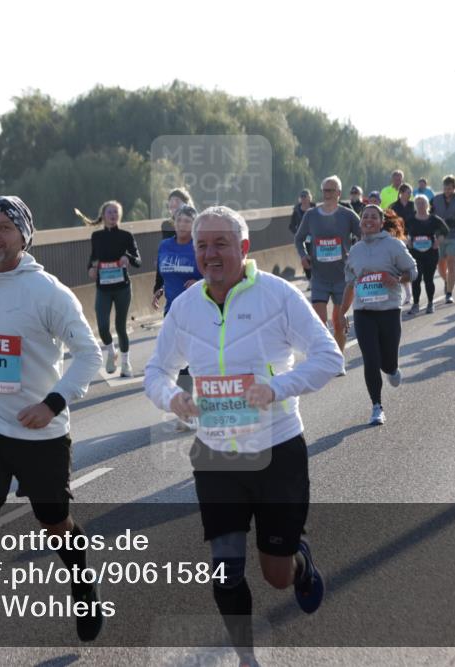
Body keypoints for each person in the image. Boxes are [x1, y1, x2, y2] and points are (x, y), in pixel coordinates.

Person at [144, 205, 340, 667]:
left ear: (244, 248)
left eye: (220, 244)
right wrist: (172, 398)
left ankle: (298, 561)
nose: (209, 254)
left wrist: (276, 389)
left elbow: (329, 357)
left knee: (276, 575)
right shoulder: (185, 307)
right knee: (227, 571)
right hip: (216, 456)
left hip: (277, 451)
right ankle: (247, 659)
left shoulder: (278, 296)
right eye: (201, 245)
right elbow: (156, 371)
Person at [0, 196, 104, 667]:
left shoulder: (48, 292)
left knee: (54, 524)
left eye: (4, 228)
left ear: (24, 237)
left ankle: (81, 582)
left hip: (39, 433)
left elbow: (89, 354)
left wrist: (52, 404)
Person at [341, 207, 417, 425]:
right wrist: (342, 312)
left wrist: (397, 279)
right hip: (363, 312)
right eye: (365, 217)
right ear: (361, 222)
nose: (369, 220)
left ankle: (392, 368)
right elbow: (349, 283)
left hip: (389, 311)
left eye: (374, 217)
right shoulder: (355, 251)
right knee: (371, 360)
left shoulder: (393, 245)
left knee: (387, 361)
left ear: (381, 222)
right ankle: (377, 406)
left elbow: (413, 271)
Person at [295, 176, 362, 375]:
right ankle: (324, 357)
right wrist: (303, 255)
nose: (327, 194)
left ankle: (338, 359)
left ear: (339, 193)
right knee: (319, 320)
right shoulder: (311, 215)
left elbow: (364, 234)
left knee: (339, 320)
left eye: (331, 190)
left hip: (342, 276)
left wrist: (357, 254)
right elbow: (299, 239)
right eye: (325, 190)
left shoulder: (348, 215)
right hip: (320, 277)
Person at [152, 204, 202, 430]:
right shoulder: (165, 246)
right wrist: (158, 290)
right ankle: (187, 409)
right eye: (180, 220)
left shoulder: (198, 247)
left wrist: (199, 282)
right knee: (177, 359)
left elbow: (213, 273)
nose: (183, 225)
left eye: (188, 221)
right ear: (174, 222)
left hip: (196, 309)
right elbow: (161, 272)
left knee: (190, 361)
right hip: (172, 310)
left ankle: (191, 410)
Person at [83, 200, 141, 377]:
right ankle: (111, 352)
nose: (113, 215)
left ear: (120, 215)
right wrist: (91, 269)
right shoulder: (97, 237)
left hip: (122, 287)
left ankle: (125, 364)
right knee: (102, 326)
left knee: (121, 326)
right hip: (104, 288)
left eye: (116, 212)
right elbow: (93, 258)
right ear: (103, 215)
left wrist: (127, 257)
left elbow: (138, 261)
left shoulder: (126, 236)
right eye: (110, 212)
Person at [405, 195, 448, 315]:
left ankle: (430, 303)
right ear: (415, 205)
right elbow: (401, 232)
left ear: (427, 205)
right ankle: (416, 304)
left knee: (429, 279)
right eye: (418, 203)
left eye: (422, 203)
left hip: (431, 253)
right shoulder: (410, 219)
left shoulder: (433, 219)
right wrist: (407, 241)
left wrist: (438, 241)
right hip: (415, 253)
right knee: (416, 279)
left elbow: (445, 230)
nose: (420, 205)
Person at [431, 175, 455, 304]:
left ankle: (449, 293)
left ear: (454, 188)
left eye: (449, 188)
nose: (447, 191)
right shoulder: (435, 200)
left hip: (454, 236)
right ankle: (446, 281)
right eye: (445, 188)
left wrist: (446, 222)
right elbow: (431, 216)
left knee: (451, 265)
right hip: (438, 237)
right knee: (440, 265)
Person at [289, 190, 315, 281]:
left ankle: (315, 277)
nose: (304, 199)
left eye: (305, 196)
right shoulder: (296, 210)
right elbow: (291, 226)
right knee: (304, 258)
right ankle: (309, 279)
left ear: (309, 198)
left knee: (314, 257)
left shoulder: (315, 208)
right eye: (302, 197)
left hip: (314, 238)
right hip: (302, 239)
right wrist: (298, 233)